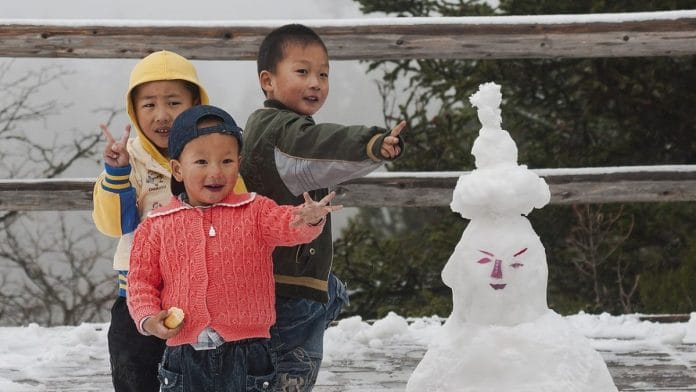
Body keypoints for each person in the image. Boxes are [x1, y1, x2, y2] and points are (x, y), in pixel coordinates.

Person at [126, 104, 341, 391]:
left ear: (238, 163)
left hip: (249, 355)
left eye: (226, 161)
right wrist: (149, 319)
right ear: (177, 169)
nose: (215, 172)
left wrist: (308, 217)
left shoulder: (255, 210)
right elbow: (141, 283)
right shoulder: (156, 225)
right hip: (183, 356)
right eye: (201, 162)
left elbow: (287, 225)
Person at [240, 23, 406, 391]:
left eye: (323, 74)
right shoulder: (283, 132)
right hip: (287, 292)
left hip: (273, 284)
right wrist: (371, 144)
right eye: (302, 72)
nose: (315, 82)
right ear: (268, 81)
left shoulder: (269, 125)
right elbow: (320, 146)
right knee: (286, 377)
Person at [92, 50, 242, 392]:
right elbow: (114, 224)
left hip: (201, 301)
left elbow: (240, 215)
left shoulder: (216, 154)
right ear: (133, 109)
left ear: (195, 104)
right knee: (136, 376)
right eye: (149, 105)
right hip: (138, 301)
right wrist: (116, 174)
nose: (162, 115)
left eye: (174, 103)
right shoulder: (129, 159)